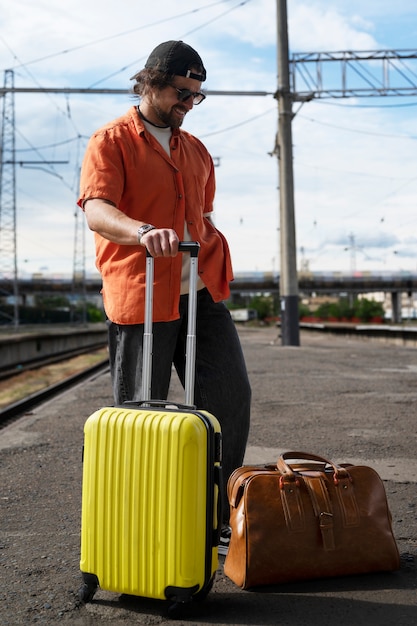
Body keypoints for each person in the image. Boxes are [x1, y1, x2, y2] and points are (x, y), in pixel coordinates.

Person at [77, 40, 251, 555]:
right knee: (139, 413)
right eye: (181, 92)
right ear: (150, 82)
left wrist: (211, 237)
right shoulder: (111, 141)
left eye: (197, 96)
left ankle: (216, 518)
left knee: (228, 396)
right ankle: (131, 526)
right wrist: (142, 231)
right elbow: (97, 210)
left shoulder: (195, 150)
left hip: (201, 291)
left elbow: (204, 212)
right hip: (143, 295)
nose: (188, 103)